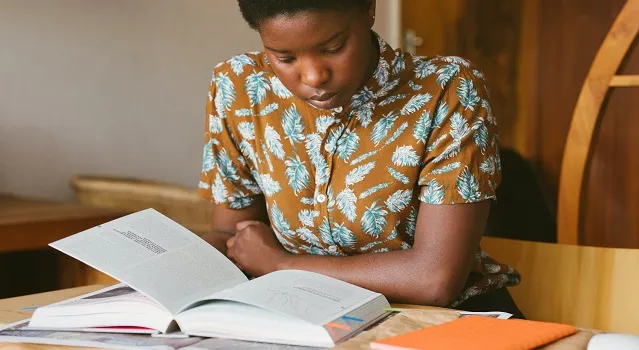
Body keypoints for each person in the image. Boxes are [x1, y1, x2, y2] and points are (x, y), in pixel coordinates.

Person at [197, 0, 523, 317]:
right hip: (303, 318)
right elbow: (235, 238)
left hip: (442, 320)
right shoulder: (241, 87)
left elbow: (435, 280)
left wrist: (283, 265)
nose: (313, 77)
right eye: (285, 58)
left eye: (333, 48)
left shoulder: (446, 91)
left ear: (369, 9)